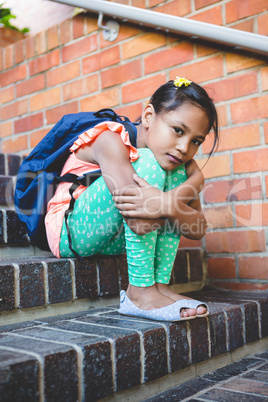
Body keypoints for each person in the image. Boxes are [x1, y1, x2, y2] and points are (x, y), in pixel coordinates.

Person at [45, 77, 219, 322]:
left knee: (174, 171)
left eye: (196, 141)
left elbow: (197, 228)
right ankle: (139, 290)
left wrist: (177, 194)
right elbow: (140, 223)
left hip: (113, 235)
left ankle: (159, 285)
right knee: (151, 163)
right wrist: (189, 188)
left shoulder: (176, 163)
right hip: (71, 233)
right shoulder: (109, 139)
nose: (183, 147)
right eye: (178, 130)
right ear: (148, 115)